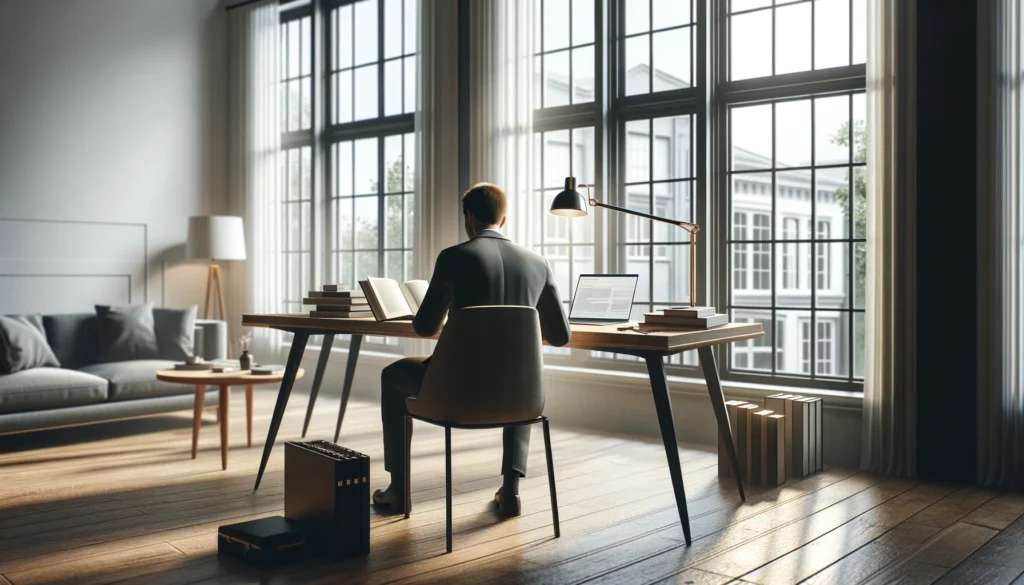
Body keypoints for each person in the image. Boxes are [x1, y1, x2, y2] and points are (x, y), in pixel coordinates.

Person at [372, 182, 571, 516]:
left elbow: (425, 327)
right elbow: (561, 335)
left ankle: (398, 491)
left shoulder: (454, 257)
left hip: (457, 394)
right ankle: (510, 491)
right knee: (517, 375)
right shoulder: (539, 263)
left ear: (469, 217)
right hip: (521, 397)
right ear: (504, 219)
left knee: (392, 376)